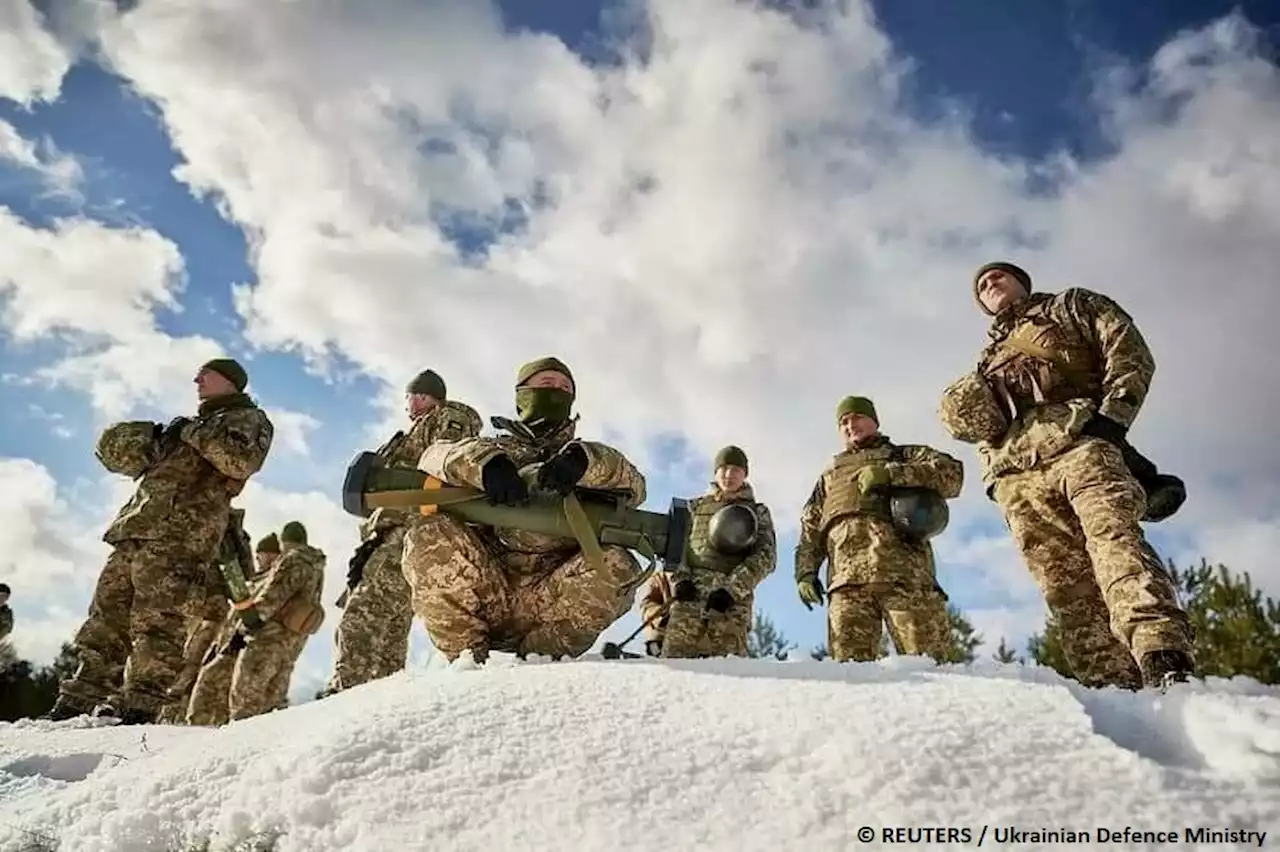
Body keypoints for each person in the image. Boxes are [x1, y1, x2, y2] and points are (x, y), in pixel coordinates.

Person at [938, 261, 1194, 689]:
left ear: (1022, 281)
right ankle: (1113, 689)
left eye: (998, 275)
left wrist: (1112, 420)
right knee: (1063, 587)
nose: (989, 283)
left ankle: (1163, 659)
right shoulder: (987, 361)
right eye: (981, 285)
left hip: (1080, 447)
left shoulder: (1071, 306)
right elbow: (981, 426)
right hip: (1016, 476)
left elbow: (1129, 352)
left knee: (1115, 543)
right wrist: (993, 475)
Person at [45, 358, 274, 723]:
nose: (196, 379)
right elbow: (130, 461)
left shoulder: (249, 421)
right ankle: (80, 699)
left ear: (230, 382)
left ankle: (140, 706)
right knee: (106, 617)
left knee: (159, 623)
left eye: (206, 374)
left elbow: (238, 463)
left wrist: (191, 433)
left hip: (180, 539)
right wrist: (142, 440)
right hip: (136, 530)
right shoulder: (187, 427)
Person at [402, 356, 647, 664]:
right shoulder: (490, 447)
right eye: (546, 384)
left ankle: (537, 665)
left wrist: (585, 461)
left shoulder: (580, 458)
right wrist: (485, 464)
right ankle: (467, 664)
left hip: (552, 599)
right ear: (522, 395)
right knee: (428, 534)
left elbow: (635, 486)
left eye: (564, 388)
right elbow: (433, 457)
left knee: (620, 566)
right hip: (487, 588)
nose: (556, 391)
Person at [325, 369, 482, 694]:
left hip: (410, 532)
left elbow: (450, 471)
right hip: (393, 533)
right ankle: (376, 698)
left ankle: (346, 696)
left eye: (410, 397)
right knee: (390, 626)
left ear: (422, 396)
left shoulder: (447, 419)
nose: (407, 404)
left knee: (362, 618)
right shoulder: (415, 432)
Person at [795, 396, 963, 662]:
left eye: (857, 417)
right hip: (846, 585)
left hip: (904, 578)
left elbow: (953, 474)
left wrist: (892, 474)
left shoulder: (903, 455)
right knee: (851, 677)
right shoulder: (830, 477)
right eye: (844, 422)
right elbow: (810, 528)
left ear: (874, 421)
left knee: (931, 665)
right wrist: (805, 572)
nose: (851, 425)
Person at [640, 445, 776, 658]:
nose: (729, 474)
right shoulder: (693, 507)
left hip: (730, 605)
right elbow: (675, 549)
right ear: (715, 472)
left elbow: (766, 557)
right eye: (723, 468)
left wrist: (732, 589)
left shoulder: (758, 513)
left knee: (729, 670)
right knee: (674, 667)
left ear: (745, 474)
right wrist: (681, 580)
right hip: (688, 598)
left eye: (735, 469)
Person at [187, 521, 325, 723]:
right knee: (269, 703)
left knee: (243, 703)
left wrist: (243, 630)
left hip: (266, 640)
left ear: (284, 543)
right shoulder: (316, 567)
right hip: (291, 644)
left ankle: (235, 744)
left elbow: (271, 599)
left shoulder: (294, 560)